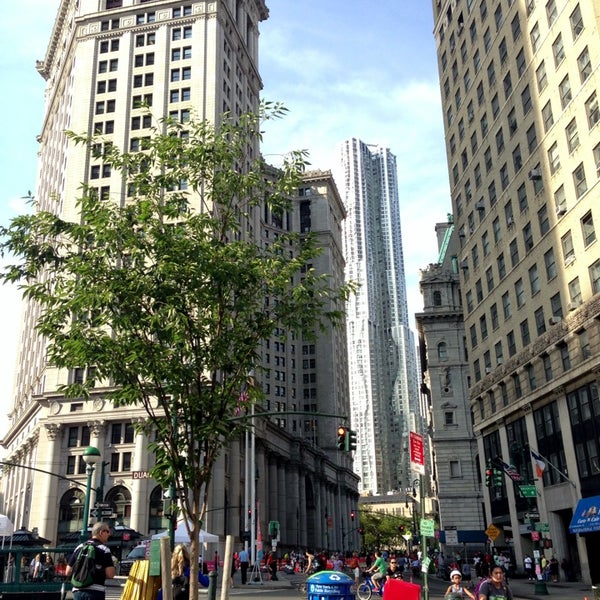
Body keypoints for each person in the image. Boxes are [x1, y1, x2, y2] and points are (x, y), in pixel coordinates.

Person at [65, 522, 116, 600]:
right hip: (96, 591)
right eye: (108, 531)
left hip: (77, 591)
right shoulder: (104, 549)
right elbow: (110, 574)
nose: (109, 534)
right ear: (101, 532)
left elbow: (68, 571)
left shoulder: (80, 547)